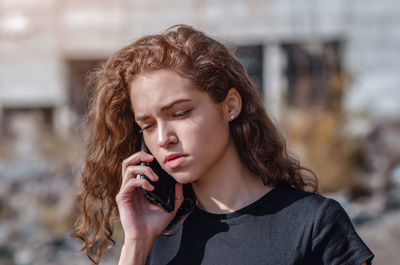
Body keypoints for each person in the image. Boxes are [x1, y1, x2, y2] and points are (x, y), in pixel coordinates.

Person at [72, 25, 374, 265]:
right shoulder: (156, 238)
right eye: (147, 126)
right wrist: (136, 244)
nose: (163, 138)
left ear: (230, 105)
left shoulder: (312, 224)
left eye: (180, 113)